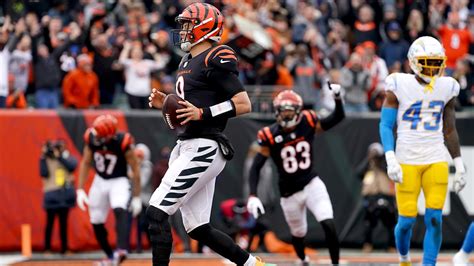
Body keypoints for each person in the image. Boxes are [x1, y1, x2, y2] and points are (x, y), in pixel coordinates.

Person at [147, 3, 272, 265]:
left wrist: (202, 113)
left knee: (156, 212)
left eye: (187, 25)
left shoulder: (217, 54)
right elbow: (188, 109)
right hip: (187, 144)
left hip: (204, 147)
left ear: (204, 27)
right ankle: (253, 264)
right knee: (197, 227)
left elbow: (243, 104)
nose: (182, 30)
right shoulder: (187, 60)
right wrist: (167, 103)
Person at [379, 36, 467, 265]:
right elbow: (386, 125)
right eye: (427, 62)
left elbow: (449, 129)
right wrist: (390, 157)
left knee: (435, 218)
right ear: (413, 62)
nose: (432, 67)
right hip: (406, 158)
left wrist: (458, 164)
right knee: (406, 221)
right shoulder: (398, 84)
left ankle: (430, 264)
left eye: (436, 62)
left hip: (435, 157)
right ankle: (404, 258)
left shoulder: (447, 86)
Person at [247, 88, 345, 265]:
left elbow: (337, 118)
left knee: (328, 223)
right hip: (288, 192)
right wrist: (253, 195)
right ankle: (302, 259)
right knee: (298, 234)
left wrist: (337, 98)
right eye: (283, 111)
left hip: (311, 183)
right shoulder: (270, 135)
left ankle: (335, 263)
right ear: (277, 111)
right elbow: (256, 167)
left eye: (289, 111)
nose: (285, 115)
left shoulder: (308, 122)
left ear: (298, 111)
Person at [76, 115, 142, 264]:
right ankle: (110, 256)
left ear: (111, 135)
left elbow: (136, 170)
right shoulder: (91, 137)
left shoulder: (122, 141)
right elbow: (86, 162)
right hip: (100, 180)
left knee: (120, 208)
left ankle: (121, 250)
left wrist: (137, 197)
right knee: (96, 220)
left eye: (101, 136)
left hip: (119, 180)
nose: (97, 138)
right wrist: (79, 189)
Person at [355, 142, 396, 253]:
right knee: (368, 222)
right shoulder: (367, 167)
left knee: (391, 222)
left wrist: (381, 159)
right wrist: (369, 159)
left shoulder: (386, 166)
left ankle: (391, 246)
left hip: (386, 196)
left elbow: (392, 173)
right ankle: (367, 244)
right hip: (371, 197)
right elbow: (358, 174)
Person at [40, 140, 77, 254]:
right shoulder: (45, 159)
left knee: (63, 223)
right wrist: (43, 157)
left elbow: (72, 166)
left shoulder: (66, 157)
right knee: (49, 223)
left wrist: (59, 157)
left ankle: (64, 248)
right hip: (51, 194)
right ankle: (47, 248)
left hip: (64, 194)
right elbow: (44, 173)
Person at [133, 143, 153, 253]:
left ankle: (151, 244)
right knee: (137, 224)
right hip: (135, 198)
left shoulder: (147, 165)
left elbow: (142, 183)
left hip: (146, 199)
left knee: (145, 223)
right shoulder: (133, 165)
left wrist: (134, 173)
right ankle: (138, 246)